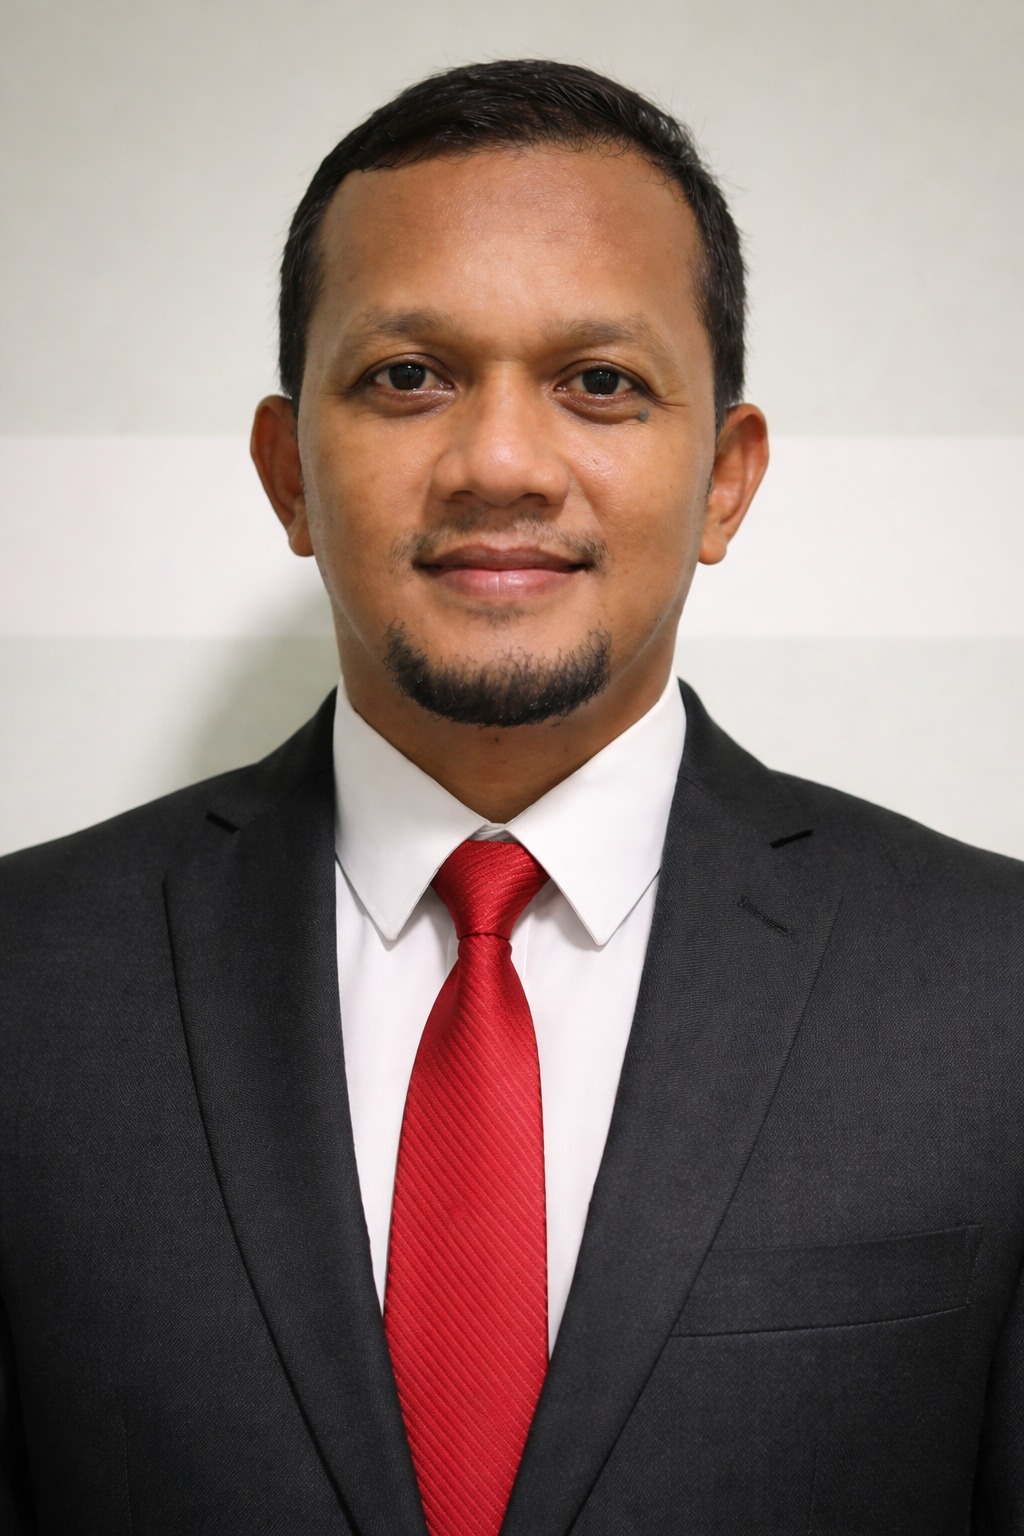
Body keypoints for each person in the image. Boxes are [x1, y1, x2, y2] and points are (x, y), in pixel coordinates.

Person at [0, 57, 1021, 1536]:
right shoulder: (26, 978)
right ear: (288, 474)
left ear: (725, 480)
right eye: (408, 377)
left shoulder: (994, 987)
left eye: (600, 384)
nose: (498, 464)